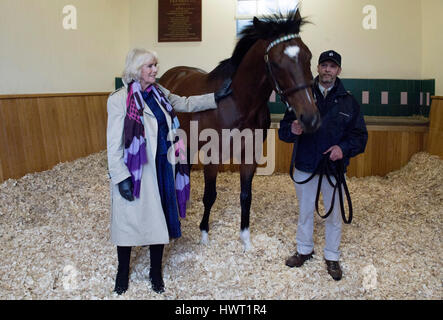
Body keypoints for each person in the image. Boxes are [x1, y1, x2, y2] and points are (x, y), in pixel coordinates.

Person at [107, 48, 231, 294]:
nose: (155, 70)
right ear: (136, 69)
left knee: (158, 219)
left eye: (155, 65)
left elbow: (184, 103)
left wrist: (216, 97)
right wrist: (120, 177)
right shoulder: (119, 99)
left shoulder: (159, 92)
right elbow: (113, 144)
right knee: (127, 221)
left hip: (163, 167)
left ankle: (155, 271)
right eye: (150, 66)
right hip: (136, 169)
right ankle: (123, 271)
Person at [278, 50, 368, 281]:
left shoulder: (348, 101)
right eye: (324, 65)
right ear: (317, 68)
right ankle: (304, 250)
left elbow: (359, 136)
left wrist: (343, 149)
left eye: (332, 66)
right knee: (305, 211)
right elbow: (284, 130)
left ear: (338, 70)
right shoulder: (302, 95)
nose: (328, 70)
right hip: (305, 164)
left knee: (334, 214)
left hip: (332, 167)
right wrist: (292, 130)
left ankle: (332, 255)